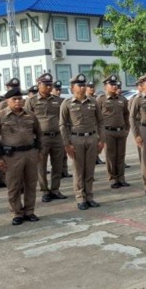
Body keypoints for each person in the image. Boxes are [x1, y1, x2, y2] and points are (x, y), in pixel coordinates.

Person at [0, 87, 42, 225]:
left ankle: (29, 211)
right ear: (8, 101)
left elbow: (39, 134)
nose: (18, 101)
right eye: (14, 99)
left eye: (20, 99)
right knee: (14, 185)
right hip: (12, 156)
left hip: (30, 153)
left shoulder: (30, 115)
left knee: (31, 184)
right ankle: (17, 213)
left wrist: (40, 151)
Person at [60, 73, 105, 210]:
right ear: (72, 88)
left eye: (83, 85)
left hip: (91, 138)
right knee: (79, 170)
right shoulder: (67, 103)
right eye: (79, 85)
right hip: (76, 139)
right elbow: (62, 125)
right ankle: (80, 198)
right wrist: (67, 144)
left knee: (90, 169)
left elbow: (100, 122)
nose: (82, 88)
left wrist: (101, 139)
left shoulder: (93, 102)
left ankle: (89, 196)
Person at [25, 73, 67, 202]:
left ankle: (55, 189)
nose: (49, 87)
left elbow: (65, 119)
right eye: (45, 84)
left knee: (58, 165)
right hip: (41, 138)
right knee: (41, 165)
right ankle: (44, 191)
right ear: (38, 85)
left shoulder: (59, 100)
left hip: (57, 137)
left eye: (50, 85)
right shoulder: (31, 101)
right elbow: (27, 121)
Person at [95, 74, 130, 189]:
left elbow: (126, 115)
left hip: (121, 131)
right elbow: (96, 118)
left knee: (121, 156)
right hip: (108, 131)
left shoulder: (122, 99)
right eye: (112, 84)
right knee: (111, 156)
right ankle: (112, 179)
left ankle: (121, 178)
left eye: (115, 84)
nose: (114, 86)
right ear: (105, 86)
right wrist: (100, 134)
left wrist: (126, 129)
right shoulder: (100, 99)